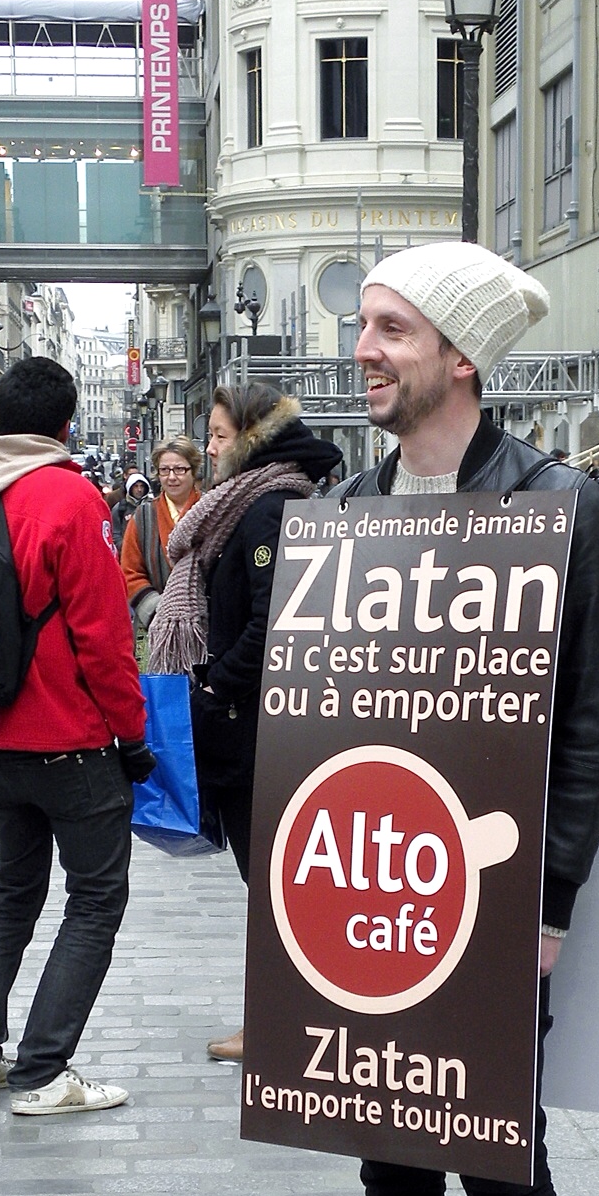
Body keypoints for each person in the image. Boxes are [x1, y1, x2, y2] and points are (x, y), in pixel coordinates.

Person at [258, 242, 599, 1196]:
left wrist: (556, 901)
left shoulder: (560, 509)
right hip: (372, 896)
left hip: (488, 901)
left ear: (460, 359)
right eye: (365, 326)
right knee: (386, 1150)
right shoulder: (349, 511)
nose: (361, 349)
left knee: (499, 1167)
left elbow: (593, 727)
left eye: (390, 329)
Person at [0, 356, 154, 1118]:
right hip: (68, 735)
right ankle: (43, 1071)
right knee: (95, 899)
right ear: (63, 425)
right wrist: (134, 736)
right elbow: (104, 636)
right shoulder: (68, 495)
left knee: (12, 889)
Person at [147, 384, 341, 1062]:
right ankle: (283, 1019)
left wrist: (210, 686)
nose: (212, 448)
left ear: (253, 438)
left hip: (258, 733)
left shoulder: (267, 510)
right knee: (269, 885)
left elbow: (273, 624)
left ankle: (282, 1025)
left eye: (222, 435)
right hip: (246, 727)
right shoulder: (244, 509)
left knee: (274, 887)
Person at [121, 437, 202, 634]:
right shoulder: (144, 516)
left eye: (180, 469)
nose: (171, 477)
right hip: (161, 627)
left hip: (208, 624)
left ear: (193, 471)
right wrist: (158, 611)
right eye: (164, 470)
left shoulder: (212, 509)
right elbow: (130, 571)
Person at [111, 471, 151, 542]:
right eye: (136, 486)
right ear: (130, 487)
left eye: (142, 486)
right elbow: (115, 533)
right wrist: (124, 548)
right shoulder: (120, 508)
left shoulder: (153, 506)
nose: (139, 490)